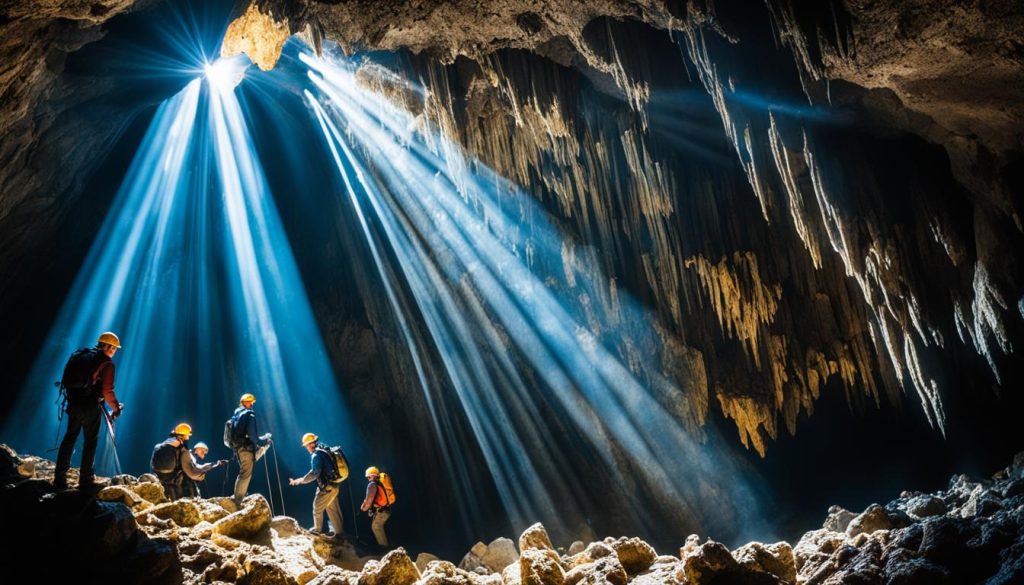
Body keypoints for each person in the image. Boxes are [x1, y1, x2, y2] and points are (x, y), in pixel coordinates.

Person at [53, 332, 125, 491]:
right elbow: (107, 391)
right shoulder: (107, 364)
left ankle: (59, 478)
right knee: (90, 440)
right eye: (114, 348)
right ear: (109, 347)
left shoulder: (83, 356)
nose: (114, 351)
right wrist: (116, 408)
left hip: (73, 402)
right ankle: (86, 481)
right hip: (90, 406)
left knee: (70, 437)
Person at [289, 433, 343, 538]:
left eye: (306, 446)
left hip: (327, 487)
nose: (306, 448)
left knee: (317, 507)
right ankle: (340, 533)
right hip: (334, 485)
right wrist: (300, 480)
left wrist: (301, 481)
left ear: (310, 444)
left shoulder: (316, 455)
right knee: (332, 509)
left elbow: (315, 473)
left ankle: (317, 530)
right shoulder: (324, 451)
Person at [228, 393, 271, 505]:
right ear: (245, 402)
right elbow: (252, 435)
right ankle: (238, 501)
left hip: (238, 449)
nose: (252, 404)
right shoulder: (249, 414)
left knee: (244, 472)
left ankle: (239, 496)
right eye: (250, 402)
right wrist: (264, 440)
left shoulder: (236, 416)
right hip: (246, 448)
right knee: (246, 474)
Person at [360, 466, 392, 548]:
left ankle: (384, 549)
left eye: (369, 477)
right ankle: (386, 547)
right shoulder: (380, 483)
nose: (368, 479)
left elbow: (369, 500)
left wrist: (363, 508)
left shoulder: (372, 485)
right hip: (386, 510)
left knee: (376, 527)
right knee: (378, 527)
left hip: (382, 511)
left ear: (373, 476)